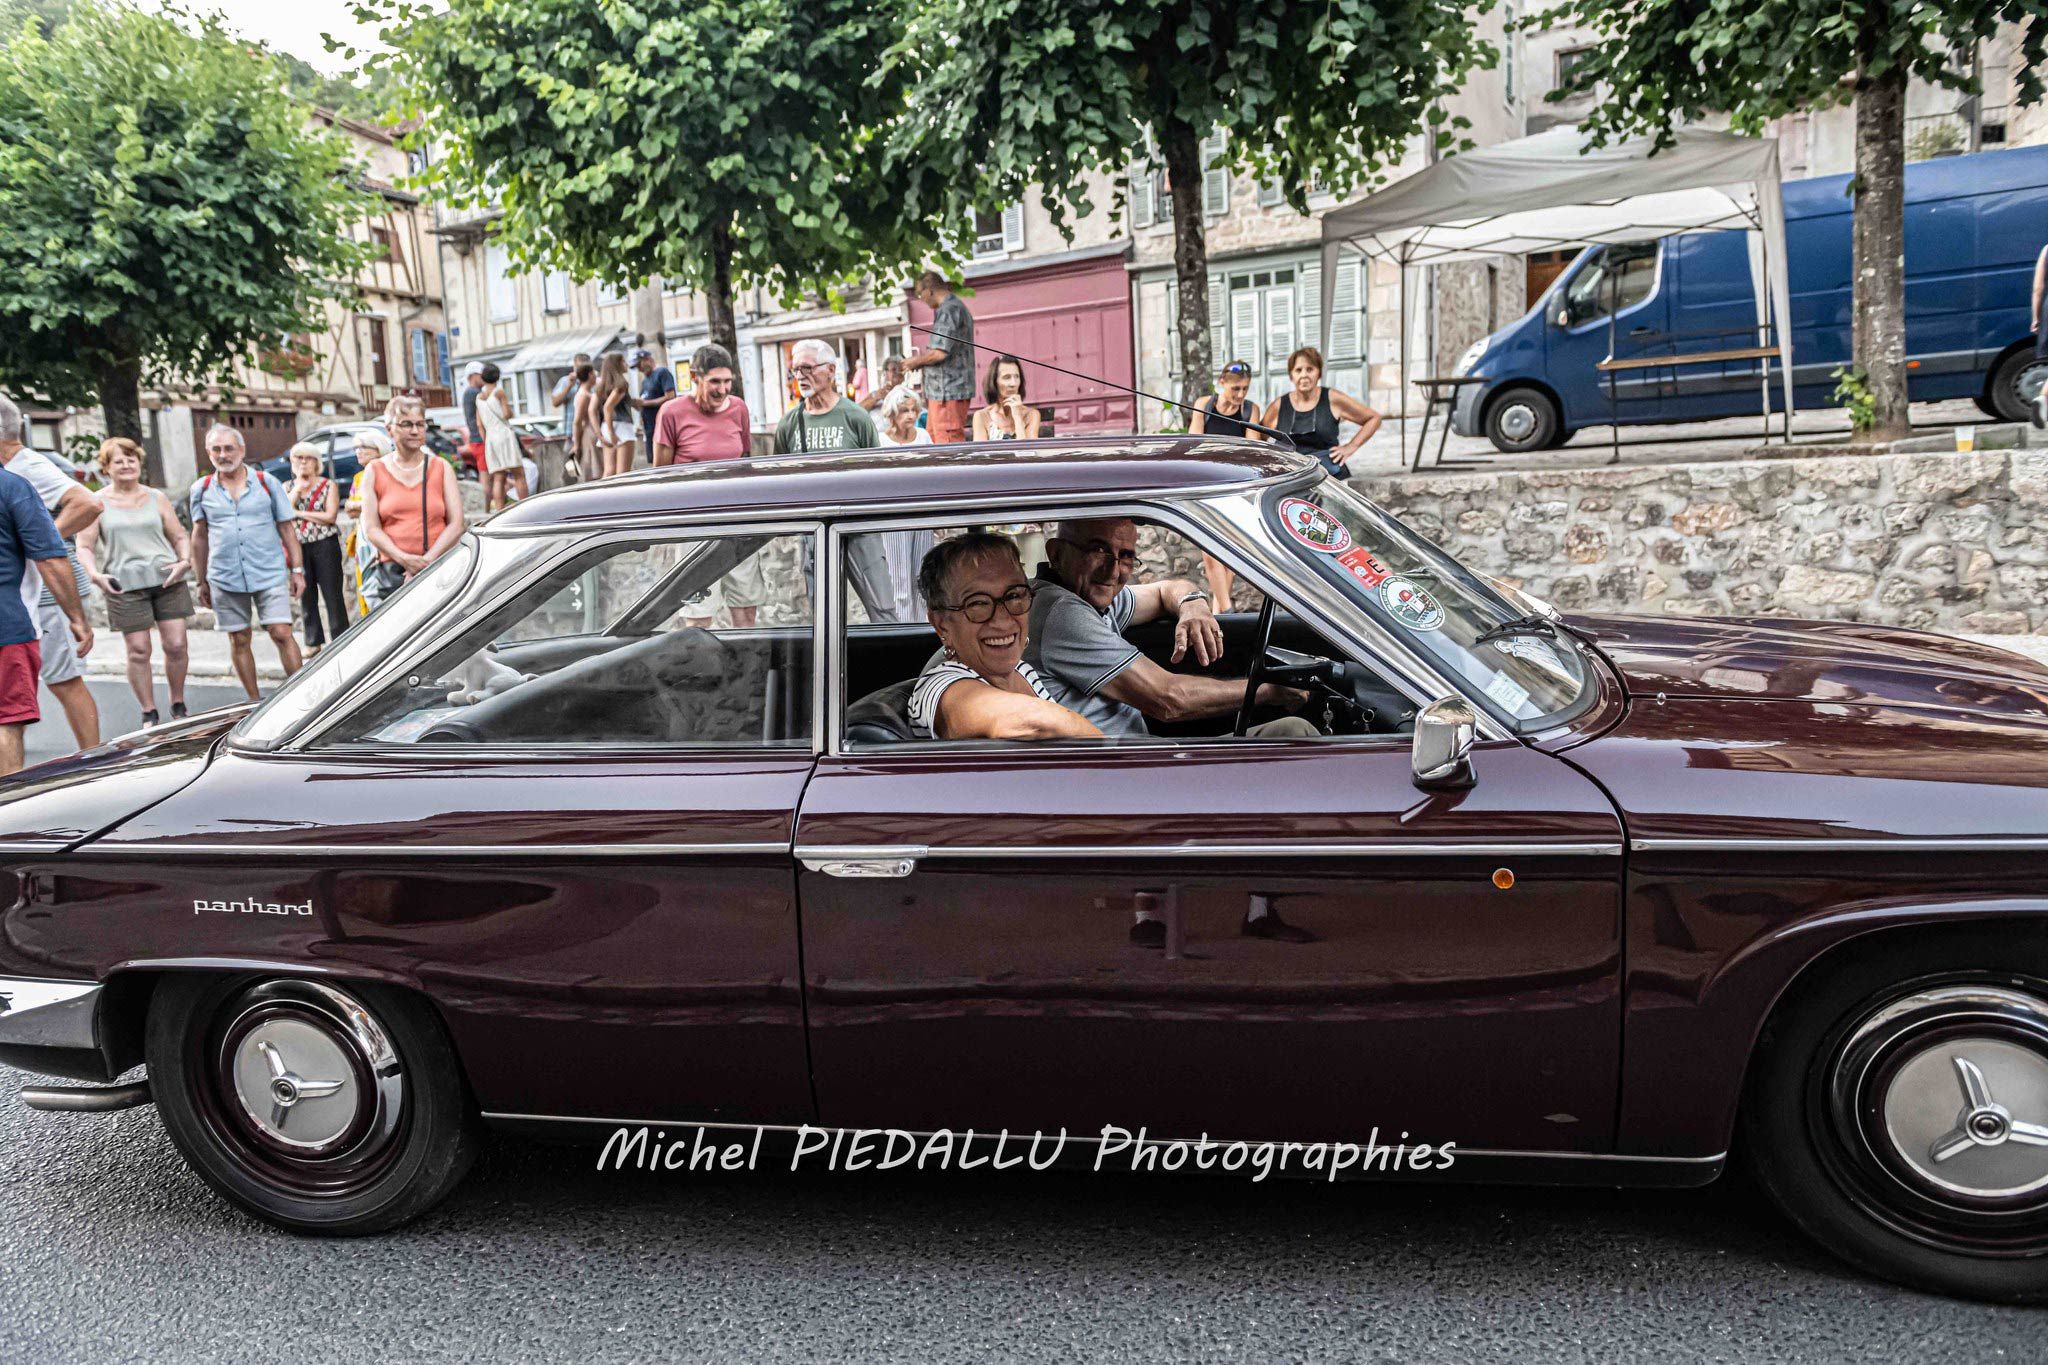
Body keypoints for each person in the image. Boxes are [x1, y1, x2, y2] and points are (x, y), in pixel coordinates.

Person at [909, 532, 1099, 742]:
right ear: (942, 625)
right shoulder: (940, 687)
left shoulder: (1021, 670)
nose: (1003, 621)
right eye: (977, 603)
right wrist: (1110, 751)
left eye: (1014, 595)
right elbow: (1037, 722)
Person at [77, 437, 193, 725]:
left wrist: (184, 560)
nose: (127, 465)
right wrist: (95, 575)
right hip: (124, 584)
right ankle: (148, 711)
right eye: (119, 461)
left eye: (132, 459)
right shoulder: (97, 502)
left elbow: (179, 535)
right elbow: (84, 546)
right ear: (106, 468)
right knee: (139, 650)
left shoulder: (157, 497)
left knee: (177, 644)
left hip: (167, 579)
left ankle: (178, 704)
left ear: (140, 463)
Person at [189, 424, 302, 701]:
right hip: (224, 574)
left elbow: (287, 529)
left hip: (268, 570)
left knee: (281, 632)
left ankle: (302, 695)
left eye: (229, 448)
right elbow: (199, 536)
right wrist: (200, 580)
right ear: (208, 452)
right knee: (239, 638)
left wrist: (297, 570)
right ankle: (253, 702)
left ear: (242, 450)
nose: (223, 455)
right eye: (216, 449)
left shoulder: (267, 482)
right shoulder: (201, 489)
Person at [0, 460, 87, 775]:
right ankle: (7, 803)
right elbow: (50, 558)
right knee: (7, 721)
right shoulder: (12, 487)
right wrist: (76, 617)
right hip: (8, 626)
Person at [362, 396, 465, 600]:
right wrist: (405, 559)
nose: (415, 431)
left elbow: (456, 524)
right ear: (390, 429)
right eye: (406, 424)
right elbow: (372, 528)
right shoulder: (374, 470)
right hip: (394, 572)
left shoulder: (441, 467)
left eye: (420, 424)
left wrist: (425, 563)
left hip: (439, 568)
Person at [1187, 359, 1266, 610]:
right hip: (1207, 485)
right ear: (1222, 382)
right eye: (1235, 389)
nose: (1240, 395)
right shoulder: (1204, 405)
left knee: (1228, 553)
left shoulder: (1250, 410)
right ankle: (1228, 609)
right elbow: (1193, 444)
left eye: (1245, 389)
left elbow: (1251, 451)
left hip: (1235, 488)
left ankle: (1218, 611)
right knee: (1210, 551)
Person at [1261, 347, 1382, 480]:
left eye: (1310, 369)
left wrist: (1351, 446)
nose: (1304, 375)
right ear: (1291, 376)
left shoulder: (1333, 398)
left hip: (1332, 477)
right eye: (1298, 370)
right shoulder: (1278, 406)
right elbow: (1259, 437)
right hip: (1293, 479)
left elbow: (1373, 418)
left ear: (1319, 373)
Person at [873, 385, 934, 620]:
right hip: (894, 515)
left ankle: (923, 627)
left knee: (922, 576)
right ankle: (903, 628)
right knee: (899, 580)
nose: (910, 415)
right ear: (892, 413)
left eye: (913, 410)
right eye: (903, 410)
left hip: (921, 511)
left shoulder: (923, 436)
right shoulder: (881, 441)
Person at [285, 444, 347, 653]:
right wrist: (297, 490)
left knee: (333, 592)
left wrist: (300, 514)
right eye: (298, 458)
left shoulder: (328, 485)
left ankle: (341, 638)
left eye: (308, 458)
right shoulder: (288, 487)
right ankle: (313, 642)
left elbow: (330, 516)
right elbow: (285, 512)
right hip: (299, 546)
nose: (303, 462)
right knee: (306, 594)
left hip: (325, 544)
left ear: (316, 462)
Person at [903, 271, 975, 443]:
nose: (921, 299)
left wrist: (915, 361)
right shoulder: (953, 307)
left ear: (929, 290)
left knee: (947, 445)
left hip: (947, 392)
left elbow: (939, 352)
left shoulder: (949, 310)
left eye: (920, 294)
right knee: (934, 441)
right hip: (944, 393)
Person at [653, 342, 750, 468]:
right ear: (694, 376)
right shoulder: (671, 412)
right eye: (715, 381)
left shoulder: (739, 407)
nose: (722, 390)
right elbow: (661, 473)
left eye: (727, 381)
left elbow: (745, 461)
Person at [775, 339, 880, 454]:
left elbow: (876, 463)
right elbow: (779, 465)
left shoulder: (857, 417)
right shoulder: (788, 423)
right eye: (795, 370)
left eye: (807, 368)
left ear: (831, 370)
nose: (799, 376)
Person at [345, 430, 389, 615]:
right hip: (363, 538)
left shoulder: (387, 472)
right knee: (365, 584)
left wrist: (361, 506)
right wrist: (362, 505)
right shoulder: (358, 478)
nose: (359, 451)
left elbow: (384, 504)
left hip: (383, 536)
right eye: (356, 447)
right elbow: (349, 509)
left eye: (364, 447)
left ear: (378, 449)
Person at [476, 362, 527, 510]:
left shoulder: (479, 397)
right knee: (519, 474)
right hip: (504, 435)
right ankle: (525, 508)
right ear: (497, 377)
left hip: (491, 439)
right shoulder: (499, 392)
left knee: (498, 478)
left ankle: (499, 511)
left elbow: (479, 424)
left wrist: (487, 441)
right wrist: (510, 411)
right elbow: (506, 414)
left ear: (483, 378)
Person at [972, 355, 1041, 442]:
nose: (1013, 383)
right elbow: (980, 450)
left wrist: (1017, 417)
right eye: (1007, 377)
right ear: (994, 381)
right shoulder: (982, 416)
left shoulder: (1031, 415)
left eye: (1017, 376)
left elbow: (1027, 449)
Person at [593, 352, 636, 480]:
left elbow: (592, 410)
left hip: (606, 426)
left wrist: (600, 434)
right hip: (621, 428)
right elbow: (608, 407)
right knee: (623, 474)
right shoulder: (621, 384)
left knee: (609, 473)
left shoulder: (601, 386)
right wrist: (612, 433)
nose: (626, 364)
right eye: (623, 361)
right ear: (617, 364)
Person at [630, 347, 678, 453]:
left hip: (662, 427)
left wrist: (645, 403)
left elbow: (670, 396)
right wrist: (636, 404)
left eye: (639, 365)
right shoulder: (645, 381)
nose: (639, 369)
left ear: (647, 359)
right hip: (649, 428)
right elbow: (644, 403)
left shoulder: (662, 372)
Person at [568, 360, 598, 481]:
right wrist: (576, 444)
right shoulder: (583, 395)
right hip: (589, 433)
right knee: (591, 470)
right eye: (594, 373)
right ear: (590, 374)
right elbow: (577, 421)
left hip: (590, 433)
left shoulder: (587, 393)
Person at [551, 352, 591, 440]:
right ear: (574, 367)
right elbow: (555, 403)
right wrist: (569, 387)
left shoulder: (593, 381)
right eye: (579, 368)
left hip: (589, 430)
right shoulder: (565, 381)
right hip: (570, 432)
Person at [459, 360, 486, 477]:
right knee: (486, 472)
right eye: (481, 375)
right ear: (473, 376)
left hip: (477, 438)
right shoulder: (473, 392)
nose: (484, 378)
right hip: (480, 438)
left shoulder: (470, 392)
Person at [2033, 244, 2047, 429]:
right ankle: (2043, 399)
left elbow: (2038, 288)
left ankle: (2043, 399)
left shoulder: (2046, 250)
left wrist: (2036, 317)